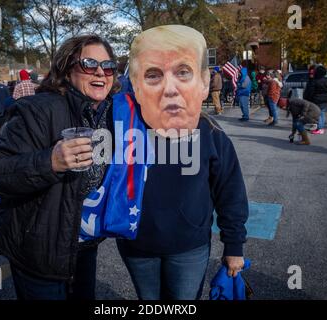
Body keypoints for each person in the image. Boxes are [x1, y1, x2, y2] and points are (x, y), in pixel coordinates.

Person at [117, 25, 249, 300]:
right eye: (153, 75)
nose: (170, 89)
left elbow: (231, 194)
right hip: (137, 246)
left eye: (182, 72)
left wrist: (234, 245)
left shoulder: (213, 136)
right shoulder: (121, 131)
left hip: (189, 248)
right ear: (137, 86)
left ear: (203, 83)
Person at [0, 35, 117, 300]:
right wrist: (50, 162)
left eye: (108, 65)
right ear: (67, 69)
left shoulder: (111, 112)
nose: (101, 71)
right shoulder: (38, 109)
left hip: (84, 244)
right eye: (89, 63)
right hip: (40, 247)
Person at [304, 65, 327, 135]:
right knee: (322, 114)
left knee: (318, 114)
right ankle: (321, 128)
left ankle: (320, 128)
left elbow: (311, 91)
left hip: (317, 99)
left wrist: (307, 98)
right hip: (325, 98)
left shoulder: (315, 81)